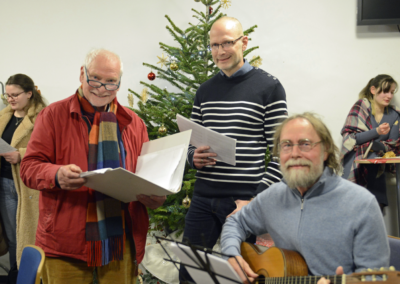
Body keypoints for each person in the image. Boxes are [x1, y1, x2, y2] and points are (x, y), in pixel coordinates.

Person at [20, 49, 166, 284]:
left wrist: (157, 196)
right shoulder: (53, 115)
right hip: (65, 242)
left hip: (121, 240)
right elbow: (28, 168)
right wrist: (56, 174)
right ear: (82, 74)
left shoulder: (133, 123)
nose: (102, 87)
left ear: (119, 83)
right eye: (95, 78)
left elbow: (147, 174)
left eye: (111, 82)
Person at [221, 113, 389, 284]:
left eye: (305, 144)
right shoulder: (272, 196)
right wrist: (231, 254)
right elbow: (236, 222)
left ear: (326, 150)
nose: (294, 153)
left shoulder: (362, 204)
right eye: (286, 145)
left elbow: (375, 278)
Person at [180, 16, 287, 283]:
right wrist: (195, 158)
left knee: (247, 277)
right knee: (189, 275)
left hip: (245, 201)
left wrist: (255, 199)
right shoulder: (204, 91)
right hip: (203, 199)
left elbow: (282, 156)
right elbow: (190, 146)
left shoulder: (270, 87)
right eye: (214, 45)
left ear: (244, 42)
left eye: (226, 43)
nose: (220, 52)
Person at [0, 74, 46, 268]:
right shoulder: (4, 116)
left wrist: (21, 154)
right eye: (7, 95)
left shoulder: (43, 117)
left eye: (15, 95)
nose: (10, 99)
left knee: (29, 238)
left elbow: (49, 150)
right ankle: (15, 277)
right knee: (12, 238)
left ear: (29, 93)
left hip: (28, 187)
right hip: (5, 183)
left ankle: (31, 277)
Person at [341, 74, 399, 211]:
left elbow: (393, 145)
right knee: (352, 209)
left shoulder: (394, 114)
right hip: (357, 160)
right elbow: (351, 139)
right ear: (373, 90)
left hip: (378, 163)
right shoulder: (361, 106)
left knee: (375, 208)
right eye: (385, 91)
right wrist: (377, 132)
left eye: (392, 92)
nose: (389, 96)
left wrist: (372, 144)